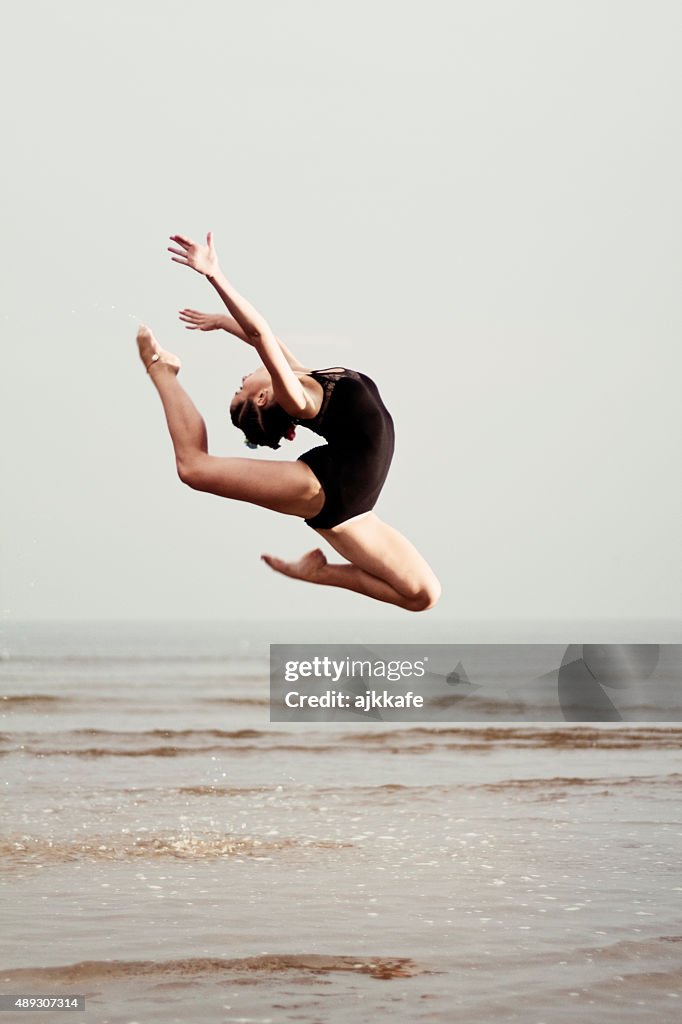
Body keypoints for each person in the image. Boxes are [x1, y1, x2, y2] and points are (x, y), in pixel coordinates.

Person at [136, 230, 441, 612]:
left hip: (357, 509)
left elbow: (265, 341)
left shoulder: (305, 376)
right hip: (325, 490)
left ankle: (317, 574)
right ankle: (164, 371)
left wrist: (220, 321)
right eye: (241, 387)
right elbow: (260, 335)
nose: (244, 377)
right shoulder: (300, 400)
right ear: (265, 397)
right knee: (193, 468)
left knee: (424, 597)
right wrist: (214, 276)